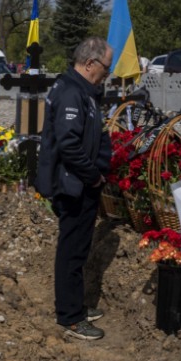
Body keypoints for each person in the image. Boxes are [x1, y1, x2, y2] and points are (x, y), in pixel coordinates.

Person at [35, 37, 113, 341]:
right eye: (106, 67)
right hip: (75, 185)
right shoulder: (71, 92)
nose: (107, 74)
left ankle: (74, 304)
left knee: (77, 249)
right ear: (90, 63)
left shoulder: (81, 89)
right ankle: (70, 317)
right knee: (72, 251)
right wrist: (93, 176)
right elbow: (69, 144)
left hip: (79, 182)